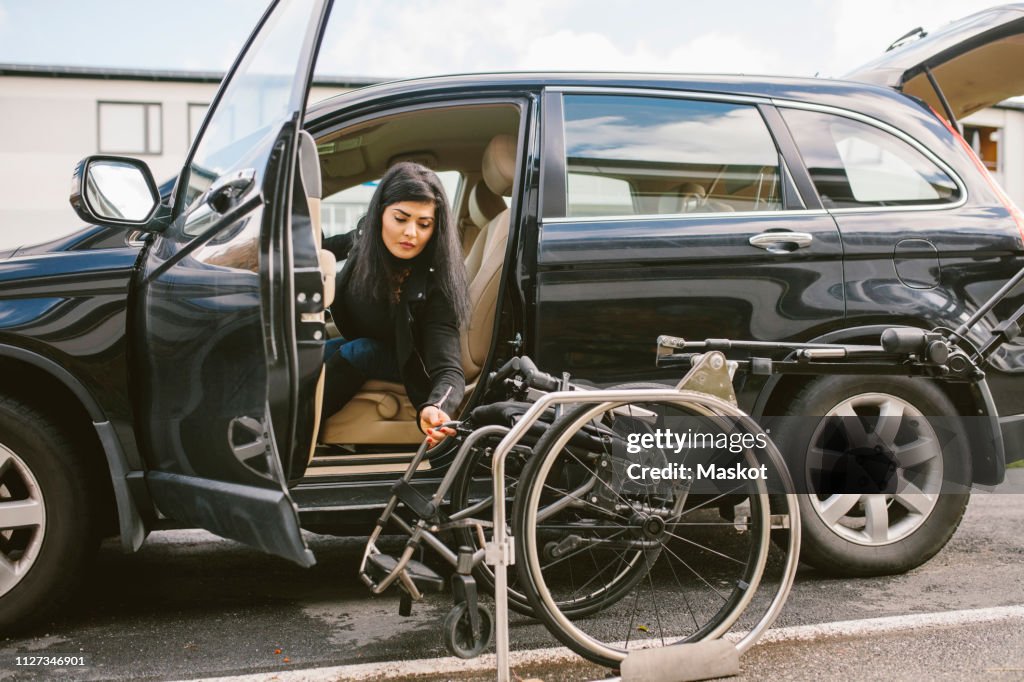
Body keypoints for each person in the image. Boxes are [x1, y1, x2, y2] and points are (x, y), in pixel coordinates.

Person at [321, 162, 469, 447]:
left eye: (424, 224)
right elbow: (321, 248)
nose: (411, 233)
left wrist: (437, 407)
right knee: (310, 355)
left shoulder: (434, 284)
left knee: (357, 351)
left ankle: (291, 443)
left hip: (409, 361)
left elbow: (449, 368)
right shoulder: (365, 239)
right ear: (380, 215)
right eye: (400, 219)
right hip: (365, 340)